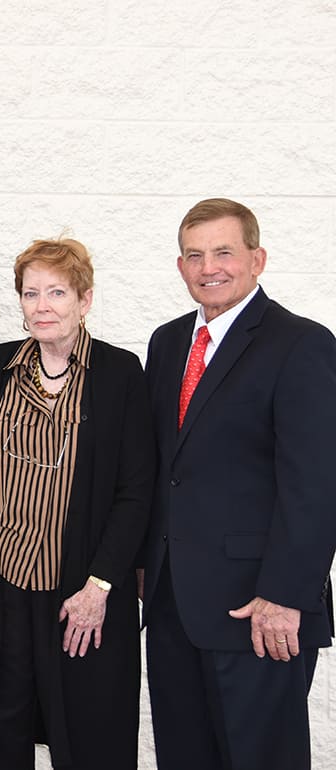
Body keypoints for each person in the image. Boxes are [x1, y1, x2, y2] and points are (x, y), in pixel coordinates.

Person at [142, 198, 336, 770]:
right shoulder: (168, 342)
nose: (210, 268)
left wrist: (284, 595)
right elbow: (164, 469)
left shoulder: (301, 344)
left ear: (258, 259)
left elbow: (317, 484)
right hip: (173, 601)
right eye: (195, 255)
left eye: (224, 252)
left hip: (258, 609)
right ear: (180, 267)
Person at [0, 238, 155, 769]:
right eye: (30, 292)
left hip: (80, 598)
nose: (41, 305)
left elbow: (136, 493)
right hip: (2, 592)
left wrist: (101, 585)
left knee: (89, 741)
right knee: (0, 737)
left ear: (84, 301)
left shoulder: (119, 374)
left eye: (56, 292)